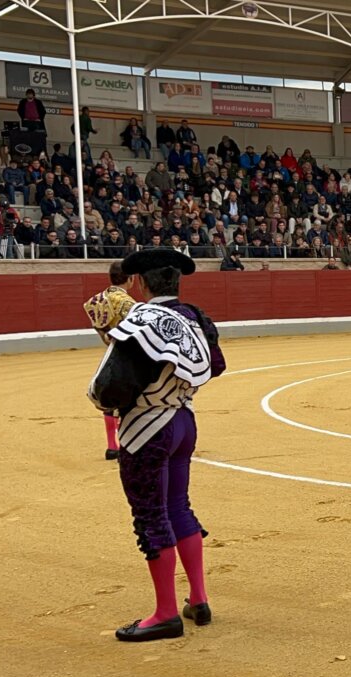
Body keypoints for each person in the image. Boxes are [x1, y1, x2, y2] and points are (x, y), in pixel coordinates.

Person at [87, 248, 226, 641]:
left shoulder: (140, 321)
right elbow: (215, 365)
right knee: (178, 506)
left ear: (140, 283)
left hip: (148, 428)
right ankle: (198, 599)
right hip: (184, 421)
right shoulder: (195, 316)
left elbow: (110, 388)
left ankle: (166, 613)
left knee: (151, 514)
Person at [83, 261, 138, 461]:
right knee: (132, 400)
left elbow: (103, 331)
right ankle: (126, 444)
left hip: (110, 353)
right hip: (128, 355)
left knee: (109, 398)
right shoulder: (128, 303)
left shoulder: (97, 300)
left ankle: (111, 446)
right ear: (131, 279)